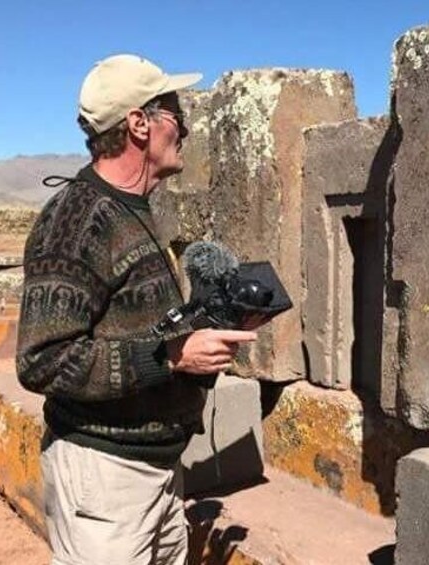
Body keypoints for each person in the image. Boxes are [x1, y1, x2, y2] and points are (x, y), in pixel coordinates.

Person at [16, 53, 256, 565]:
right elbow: (42, 360)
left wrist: (211, 326)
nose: (185, 127)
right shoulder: (77, 221)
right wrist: (170, 358)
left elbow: (135, 328)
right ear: (139, 125)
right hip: (105, 477)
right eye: (174, 112)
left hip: (159, 471)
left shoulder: (134, 212)